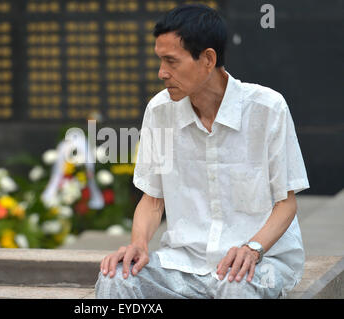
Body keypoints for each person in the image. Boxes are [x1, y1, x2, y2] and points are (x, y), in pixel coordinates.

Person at [95, 4, 309, 299]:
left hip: (260, 263)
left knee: (235, 287)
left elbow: (286, 204)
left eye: (172, 61)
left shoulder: (267, 109)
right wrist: (139, 245)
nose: (161, 73)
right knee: (116, 278)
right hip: (183, 265)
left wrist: (253, 248)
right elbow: (152, 200)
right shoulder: (159, 111)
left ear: (208, 59)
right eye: (160, 60)